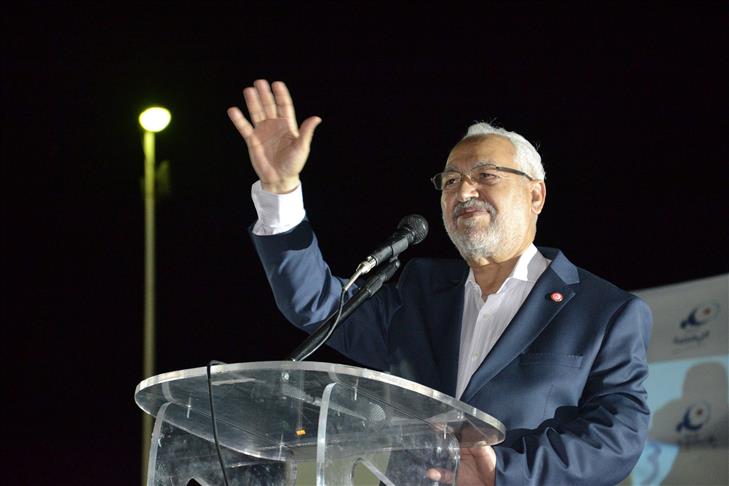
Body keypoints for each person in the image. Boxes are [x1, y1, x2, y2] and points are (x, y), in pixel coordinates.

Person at [227, 79, 652, 485]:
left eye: (486, 175)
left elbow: (618, 436)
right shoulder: (420, 295)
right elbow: (317, 303)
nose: (463, 192)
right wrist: (280, 190)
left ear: (536, 195)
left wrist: (503, 474)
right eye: (450, 181)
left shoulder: (603, 311)